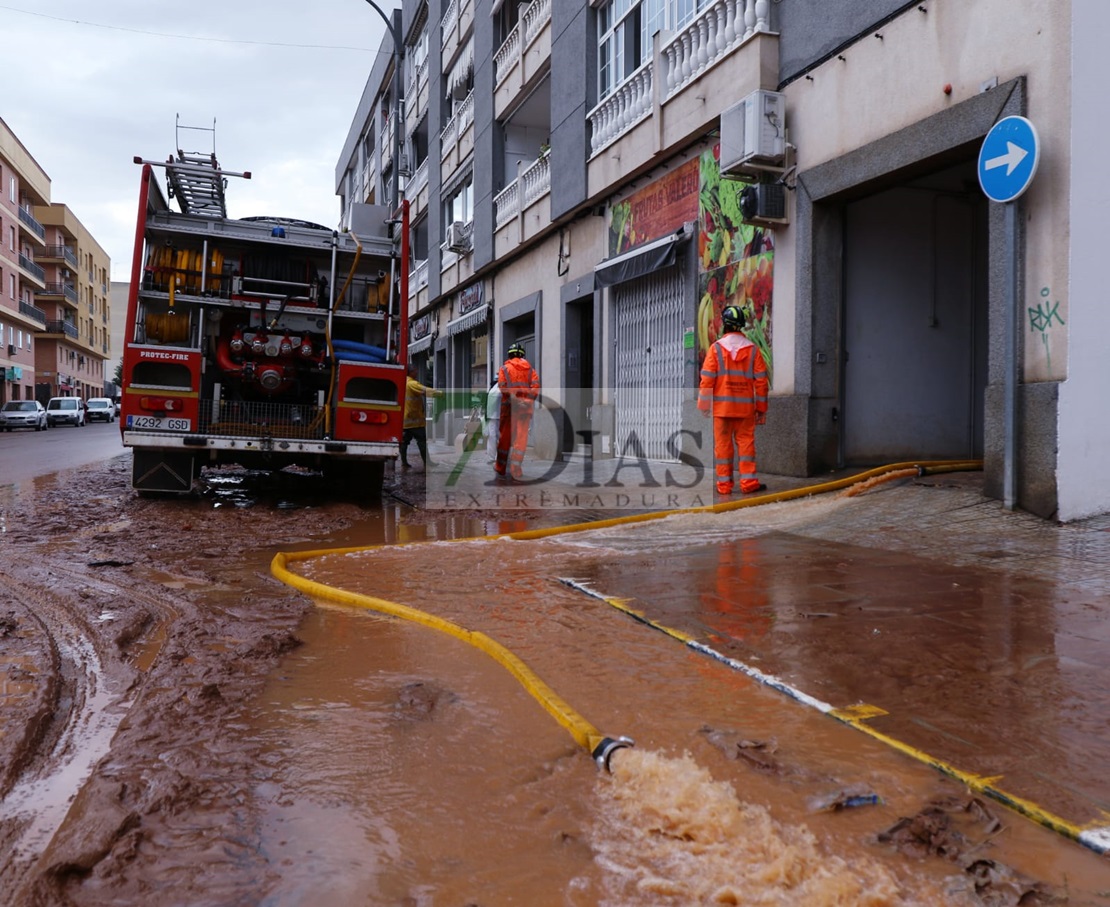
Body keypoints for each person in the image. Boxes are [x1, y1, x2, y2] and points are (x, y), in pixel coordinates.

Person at [697, 304, 768, 495]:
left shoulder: (715, 349)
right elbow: (761, 382)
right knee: (746, 446)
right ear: (741, 325)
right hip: (745, 411)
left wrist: (704, 405)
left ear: (725, 325)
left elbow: (707, 379)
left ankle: (724, 486)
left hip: (722, 410)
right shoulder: (753, 350)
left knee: (723, 448)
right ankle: (749, 484)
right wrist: (761, 409)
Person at [494, 342, 540, 481]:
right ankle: (516, 470)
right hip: (524, 410)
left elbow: (503, 387)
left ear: (510, 354)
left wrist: (514, 399)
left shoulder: (504, 369)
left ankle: (500, 468)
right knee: (521, 440)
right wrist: (525, 401)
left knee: (505, 438)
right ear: (522, 355)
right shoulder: (530, 370)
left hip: (509, 408)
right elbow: (536, 387)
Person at [402, 364, 443, 470]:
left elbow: (421, 393)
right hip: (414, 421)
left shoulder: (403, 382)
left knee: (404, 442)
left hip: (405, 420)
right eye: (415, 371)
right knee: (422, 441)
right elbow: (425, 390)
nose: (417, 373)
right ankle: (427, 462)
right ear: (411, 372)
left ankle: (404, 462)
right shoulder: (412, 383)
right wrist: (440, 394)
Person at [485, 378, 501, 463]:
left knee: (493, 436)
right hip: (495, 416)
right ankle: (494, 457)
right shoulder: (496, 388)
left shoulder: (495, 389)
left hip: (495, 416)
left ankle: (494, 457)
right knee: (494, 436)